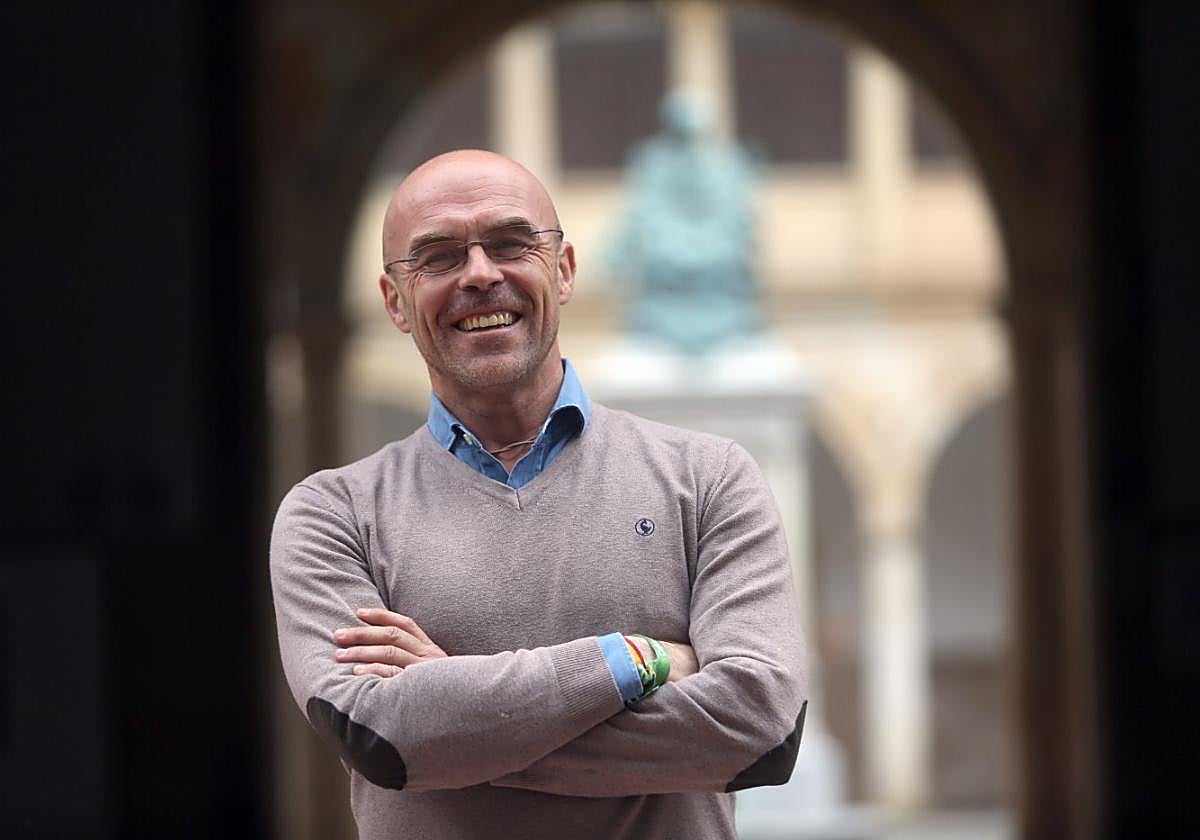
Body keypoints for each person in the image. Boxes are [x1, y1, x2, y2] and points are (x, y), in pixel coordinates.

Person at [270, 149, 808, 840]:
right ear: (394, 301)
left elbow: (761, 729)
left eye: (510, 243)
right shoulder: (332, 515)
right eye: (438, 257)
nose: (479, 274)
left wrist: (460, 725)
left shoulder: (709, 479)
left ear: (564, 269)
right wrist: (637, 659)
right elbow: (383, 738)